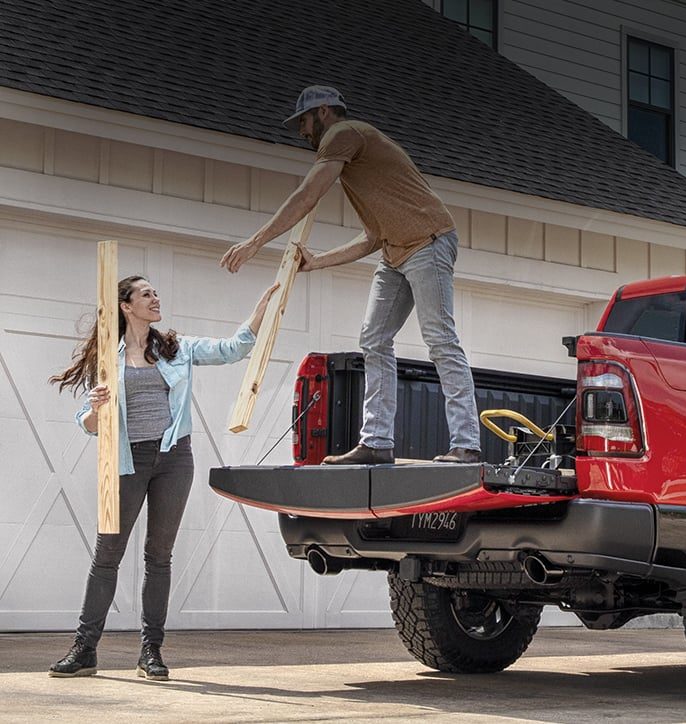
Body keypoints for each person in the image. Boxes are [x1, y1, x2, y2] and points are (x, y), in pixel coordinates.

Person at [219, 85, 482, 465]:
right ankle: (376, 443)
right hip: (395, 250)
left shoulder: (345, 134)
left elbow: (307, 195)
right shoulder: (360, 169)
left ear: (324, 112)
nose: (301, 132)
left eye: (304, 121)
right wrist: (318, 262)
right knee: (373, 338)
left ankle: (467, 445)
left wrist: (255, 242)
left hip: (428, 240)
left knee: (440, 339)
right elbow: (372, 238)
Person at [48, 276, 278, 680]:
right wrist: (97, 410)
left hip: (174, 459)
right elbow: (86, 423)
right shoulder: (108, 357)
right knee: (107, 555)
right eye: (147, 294)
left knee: (159, 557)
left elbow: (233, 349)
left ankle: (150, 652)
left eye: (156, 293)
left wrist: (264, 306)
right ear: (126, 306)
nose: (156, 299)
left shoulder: (176, 347)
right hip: (124, 460)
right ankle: (84, 649)